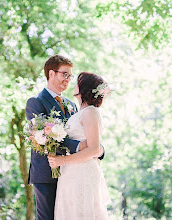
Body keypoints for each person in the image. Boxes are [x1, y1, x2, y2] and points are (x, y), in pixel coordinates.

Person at [25, 55, 105, 220]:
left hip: (71, 173)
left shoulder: (72, 104)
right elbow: (44, 139)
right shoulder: (35, 102)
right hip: (47, 173)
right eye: (64, 74)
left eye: (70, 76)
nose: (68, 79)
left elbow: (83, 131)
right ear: (51, 74)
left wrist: (97, 149)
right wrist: (79, 146)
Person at [48, 72, 110, 219]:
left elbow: (94, 149)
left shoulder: (90, 113)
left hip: (83, 172)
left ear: (84, 88)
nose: (73, 84)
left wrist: (62, 161)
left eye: (77, 82)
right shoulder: (80, 112)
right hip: (71, 172)